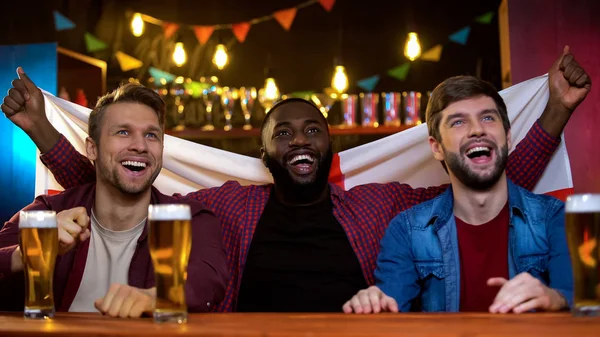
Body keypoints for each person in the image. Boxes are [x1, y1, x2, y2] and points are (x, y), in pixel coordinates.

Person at [0, 47, 590, 312]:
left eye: (312, 129)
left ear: (331, 144)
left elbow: (481, 183)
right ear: (262, 152)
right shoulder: (227, 206)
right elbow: (121, 189)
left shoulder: (377, 205)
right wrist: (44, 134)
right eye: (283, 133)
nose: (299, 139)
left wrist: (556, 112)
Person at [342, 72, 584, 314]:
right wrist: (374, 304)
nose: (477, 129)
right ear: (436, 148)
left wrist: (554, 298)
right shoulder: (406, 231)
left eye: (488, 118)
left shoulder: (555, 217)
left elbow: (579, 302)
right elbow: (390, 312)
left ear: (508, 138)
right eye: (458, 122)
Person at [0, 78, 229, 317]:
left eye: (151, 135)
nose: (140, 145)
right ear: (92, 149)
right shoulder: (49, 213)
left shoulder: (188, 218)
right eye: (123, 132)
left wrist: (155, 297)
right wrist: (27, 252)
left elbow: (208, 281)